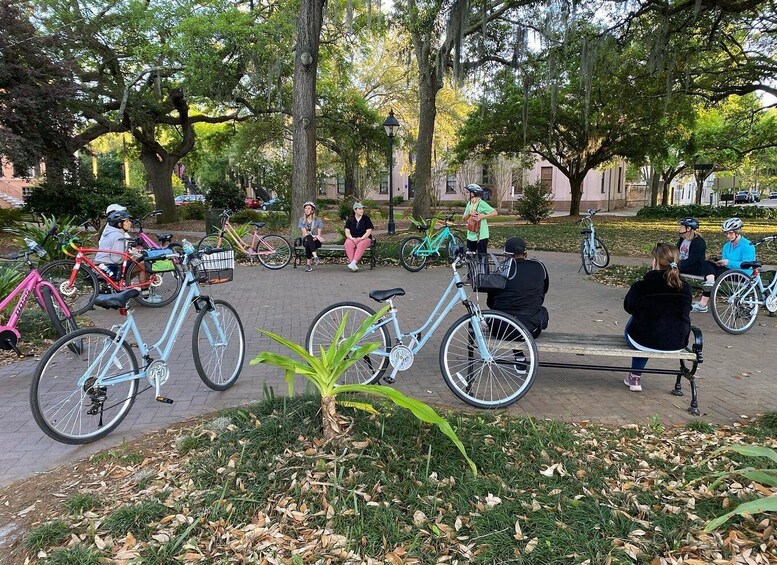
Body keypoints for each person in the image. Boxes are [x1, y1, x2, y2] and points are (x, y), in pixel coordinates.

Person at [623, 243, 691, 392]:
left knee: (640, 325)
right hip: (677, 341)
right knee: (649, 325)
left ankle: (635, 377)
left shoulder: (642, 285)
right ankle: (634, 376)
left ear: (654, 261)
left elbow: (629, 307)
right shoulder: (685, 287)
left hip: (644, 339)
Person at [485, 237, 549, 338]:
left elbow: (490, 302)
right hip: (530, 329)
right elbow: (543, 292)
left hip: (501, 329)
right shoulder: (539, 267)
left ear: (506, 255)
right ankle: (518, 353)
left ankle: (518, 353)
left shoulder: (501, 270)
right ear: (526, 254)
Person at [692, 217, 756, 313]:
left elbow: (748, 265)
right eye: (727, 233)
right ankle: (710, 283)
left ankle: (703, 303)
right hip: (728, 270)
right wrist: (721, 262)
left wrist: (728, 262)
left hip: (742, 273)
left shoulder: (747, 245)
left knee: (715, 274)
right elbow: (725, 261)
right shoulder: (727, 245)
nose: (728, 236)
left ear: (737, 232)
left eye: (731, 233)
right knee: (707, 264)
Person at [95, 210, 133, 281]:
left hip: (101, 263)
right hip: (109, 266)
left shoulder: (111, 233)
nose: (130, 223)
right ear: (119, 224)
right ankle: (144, 290)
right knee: (141, 264)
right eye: (127, 221)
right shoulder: (118, 236)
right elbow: (116, 259)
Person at [461, 184, 497, 255]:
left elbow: (495, 212)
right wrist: (469, 214)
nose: (466, 194)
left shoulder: (481, 203)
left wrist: (482, 216)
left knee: (482, 258)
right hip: (470, 235)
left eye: (468, 192)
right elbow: (464, 218)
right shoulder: (469, 203)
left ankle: (483, 266)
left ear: (473, 193)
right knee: (470, 258)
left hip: (481, 236)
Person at [344, 202, 374, 272]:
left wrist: (361, 238)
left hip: (365, 238)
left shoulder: (366, 219)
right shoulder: (350, 219)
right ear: (355, 210)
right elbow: (347, 232)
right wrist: (352, 238)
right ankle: (353, 264)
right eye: (360, 209)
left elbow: (369, 231)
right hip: (353, 238)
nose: (362, 210)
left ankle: (353, 263)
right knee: (348, 243)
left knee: (361, 244)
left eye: (362, 209)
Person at [298, 201, 323, 272]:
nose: (306, 210)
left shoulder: (318, 220)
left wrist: (315, 237)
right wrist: (312, 237)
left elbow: (319, 235)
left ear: (312, 210)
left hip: (316, 241)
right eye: (305, 208)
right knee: (308, 239)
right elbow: (305, 234)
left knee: (308, 245)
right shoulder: (302, 220)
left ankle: (308, 265)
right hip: (306, 239)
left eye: (309, 208)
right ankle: (315, 257)